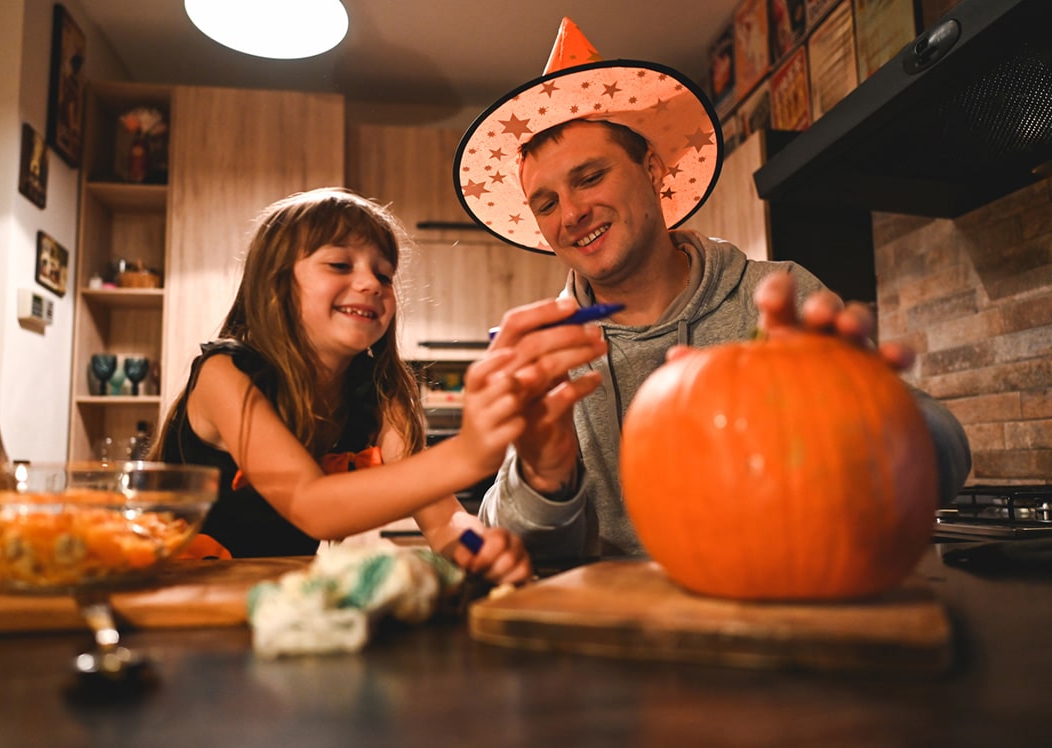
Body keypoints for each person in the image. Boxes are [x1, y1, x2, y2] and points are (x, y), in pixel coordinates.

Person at [453, 19, 972, 560]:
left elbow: (944, 458)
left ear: (651, 169)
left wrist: (872, 415)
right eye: (546, 203)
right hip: (614, 628)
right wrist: (544, 476)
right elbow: (514, 547)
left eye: (589, 178)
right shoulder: (546, 351)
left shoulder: (779, 295)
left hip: (777, 609)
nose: (572, 214)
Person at [150, 187, 534, 584]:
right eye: (339, 264)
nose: (371, 283)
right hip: (177, 596)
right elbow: (311, 506)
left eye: (384, 274)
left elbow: (442, 520)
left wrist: (478, 545)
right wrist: (466, 456)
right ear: (274, 284)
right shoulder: (226, 375)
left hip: (272, 603)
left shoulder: (381, 395)